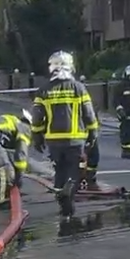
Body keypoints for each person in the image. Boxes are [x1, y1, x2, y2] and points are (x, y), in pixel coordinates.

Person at [30, 51, 100, 220]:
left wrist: (37, 136)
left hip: (54, 140)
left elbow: (37, 116)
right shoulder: (78, 88)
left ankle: (62, 200)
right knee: (74, 172)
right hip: (75, 140)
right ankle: (69, 197)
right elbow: (89, 114)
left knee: (59, 171)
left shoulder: (44, 90)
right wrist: (93, 133)